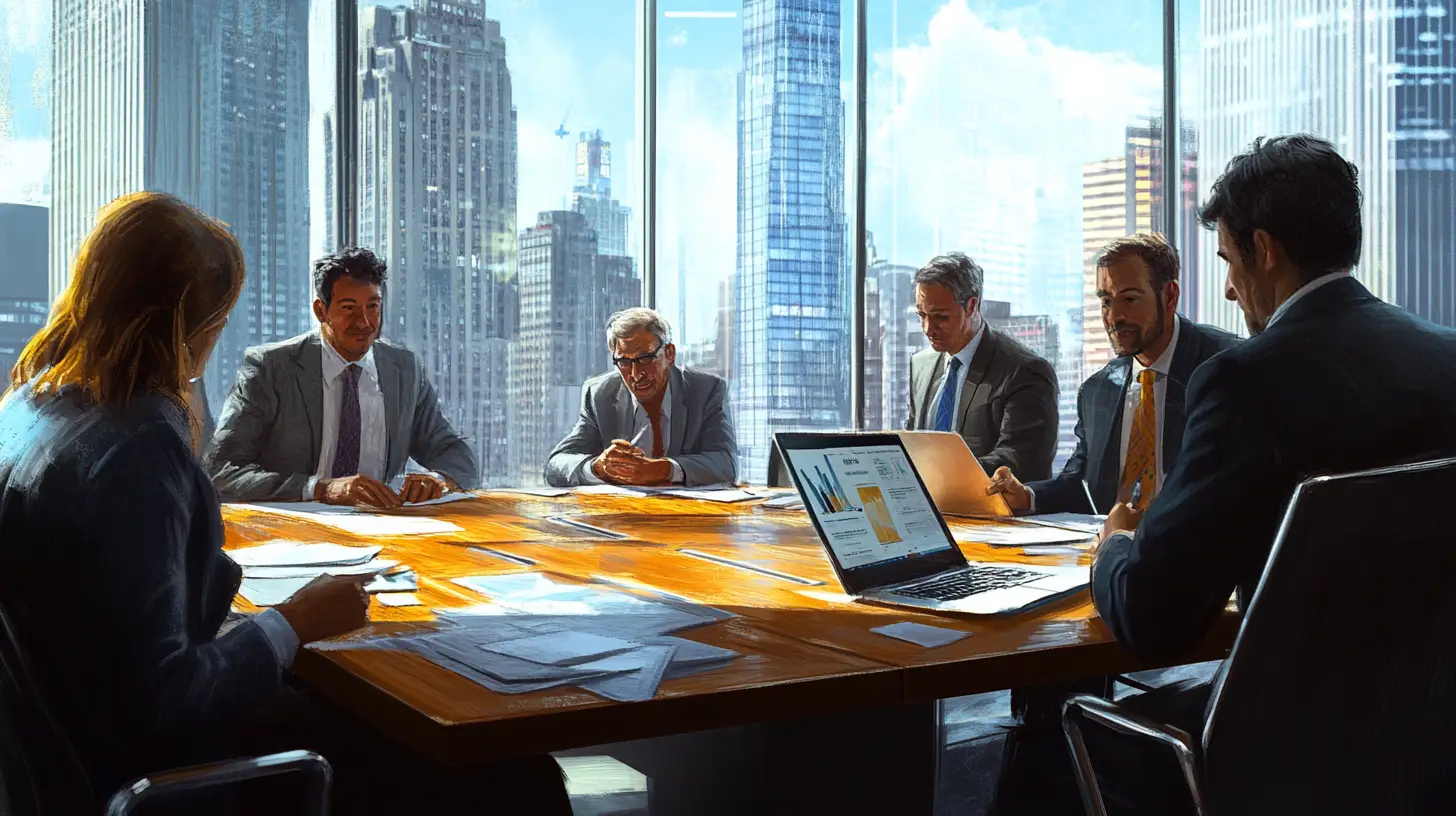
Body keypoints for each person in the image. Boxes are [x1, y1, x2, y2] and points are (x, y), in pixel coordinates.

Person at [1011, 134, 1456, 815]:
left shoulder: (1247, 379)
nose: (1226, 286)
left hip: (1285, 754)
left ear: (1266, 250)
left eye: (1228, 259)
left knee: (1039, 751)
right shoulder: (1445, 359)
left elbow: (1152, 619)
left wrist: (1115, 548)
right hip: (1426, 739)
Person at [0, 192, 371, 812]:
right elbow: (166, 696)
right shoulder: (137, 449)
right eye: (217, 317)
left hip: (54, 755)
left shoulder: (28, 406)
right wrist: (291, 623)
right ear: (190, 325)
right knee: (496, 778)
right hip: (149, 776)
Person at [985, 233, 1240, 515]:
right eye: (1106, 301)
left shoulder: (1226, 367)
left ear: (1169, 296)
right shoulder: (1098, 389)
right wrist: (1028, 497)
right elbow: (1081, 484)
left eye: (1129, 299)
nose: (1114, 316)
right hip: (1110, 548)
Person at [206, 247, 478, 506]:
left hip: (386, 532)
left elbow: (454, 453)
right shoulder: (271, 368)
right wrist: (322, 489)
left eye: (373, 306)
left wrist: (438, 480)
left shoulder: (404, 370)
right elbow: (221, 472)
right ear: (321, 311)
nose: (365, 323)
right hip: (294, 535)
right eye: (349, 308)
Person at [906, 253, 1059, 481]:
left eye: (941, 317)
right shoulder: (921, 365)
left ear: (971, 305)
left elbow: (1020, 460)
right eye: (922, 315)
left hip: (993, 512)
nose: (928, 328)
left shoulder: (1025, 371)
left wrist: (940, 477)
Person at [545, 307, 738, 487]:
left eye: (645, 359)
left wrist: (663, 469)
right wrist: (597, 467)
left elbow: (726, 464)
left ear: (669, 354)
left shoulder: (706, 390)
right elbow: (556, 465)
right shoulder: (600, 395)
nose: (636, 374)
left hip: (689, 516)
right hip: (622, 515)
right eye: (624, 362)